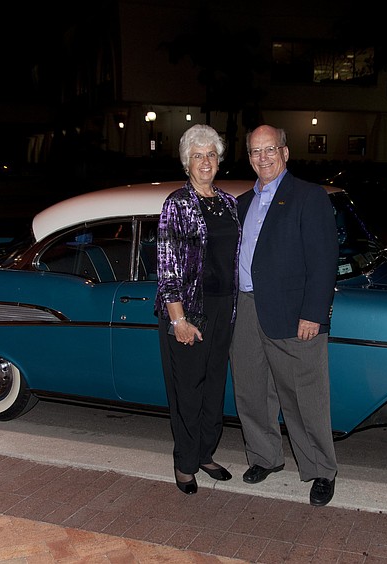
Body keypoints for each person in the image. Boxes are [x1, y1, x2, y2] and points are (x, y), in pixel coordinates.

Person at [230, 124, 339, 507]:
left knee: (303, 398)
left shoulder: (309, 197)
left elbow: (325, 261)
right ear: (249, 157)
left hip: (295, 314)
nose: (263, 157)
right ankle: (265, 457)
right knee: (252, 391)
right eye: (256, 151)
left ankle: (321, 470)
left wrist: (313, 313)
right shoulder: (240, 203)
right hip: (245, 309)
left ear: (285, 152)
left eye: (270, 149)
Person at [155, 124, 241, 495]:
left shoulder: (229, 203)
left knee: (214, 388)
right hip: (187, 311)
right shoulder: (176, 203)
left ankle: (206, 453)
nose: (205, 161)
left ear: (218, 160)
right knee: (187, 391)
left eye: (210, 154)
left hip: (224, 309)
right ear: (186, 162)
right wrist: (178, 320)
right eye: (197, 155)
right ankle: (185, 464)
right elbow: (166, 265)